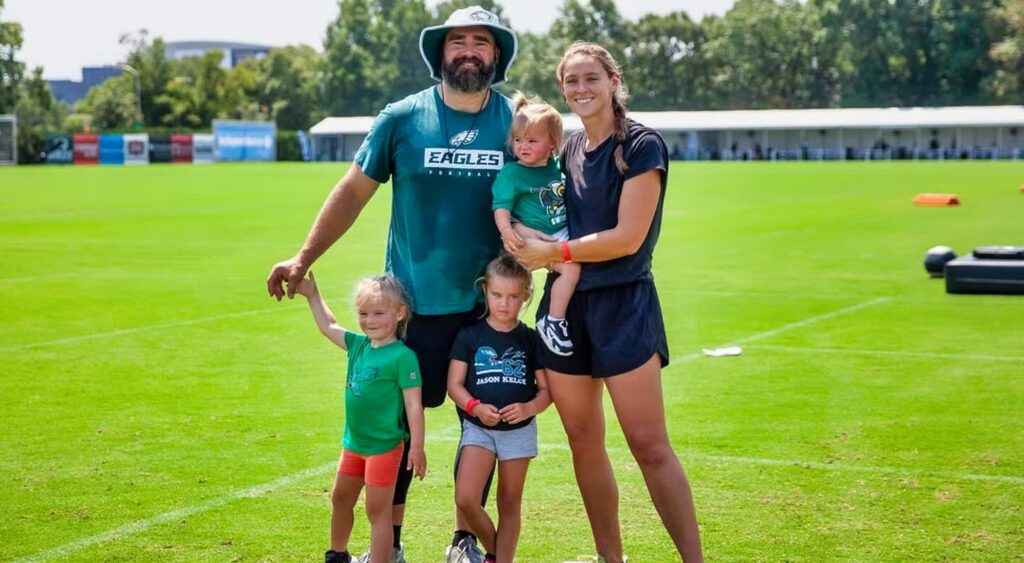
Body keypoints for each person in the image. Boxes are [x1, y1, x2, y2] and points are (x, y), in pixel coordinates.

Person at [267, 7, 518, 562]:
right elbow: (354, 191)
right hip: (411, 310)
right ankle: (393, 545)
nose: (469, 51)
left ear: (496, 55)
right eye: (458, 42)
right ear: (440, 54)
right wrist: (304, 257)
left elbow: (547, 190)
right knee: (394, 431)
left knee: (481, 430)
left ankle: (464, 540)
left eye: (482, 42)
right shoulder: (402, 118)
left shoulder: (517, 119)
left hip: (487, 311)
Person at [511, 42, 704, 562]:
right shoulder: (568, 149)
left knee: (648, 445)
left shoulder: (641, 145)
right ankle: (608, 558)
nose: (581, 89)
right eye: (571, 81)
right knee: (583, 441)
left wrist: (552, 251)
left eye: (590, 77)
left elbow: (627, 238)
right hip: (567, 310)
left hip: (625, 307)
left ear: (613, 79)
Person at [291, 272, 426, 563]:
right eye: (364, 314)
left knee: (378, 513)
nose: (370, 321)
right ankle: (337, 555)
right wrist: (313, 294)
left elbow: (414, 405)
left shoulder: (403, 357)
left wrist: (417, 446)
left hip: (384, 448)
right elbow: (328, 326)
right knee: (341, 499)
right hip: (353, 445)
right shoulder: (358, 345)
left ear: (400, 313)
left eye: (379, 313)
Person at [447, 255, 551, 563]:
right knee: (466, 498)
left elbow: (547, 392)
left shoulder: (530, 339)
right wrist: (475, 408)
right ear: (485, 292)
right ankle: (497, 552)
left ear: (525, 297)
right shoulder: (470, 335)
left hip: (518, 433)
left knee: (509, 501)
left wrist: (529, 407)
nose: (504, 303)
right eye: (497, 295)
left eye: (513, 297)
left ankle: (500, 558)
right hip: (479, 429)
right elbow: (454, 385)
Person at [491, 93, 579, 357]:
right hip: (535, 240)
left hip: (560, 231)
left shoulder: (557, 168)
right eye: (518, 140)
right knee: (572, 269)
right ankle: (554, 320)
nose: (522, 147)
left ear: (552, 143)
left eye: (531, 140)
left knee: (582, 262)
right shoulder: (512, 173)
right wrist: (507, 231)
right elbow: (501, 207)